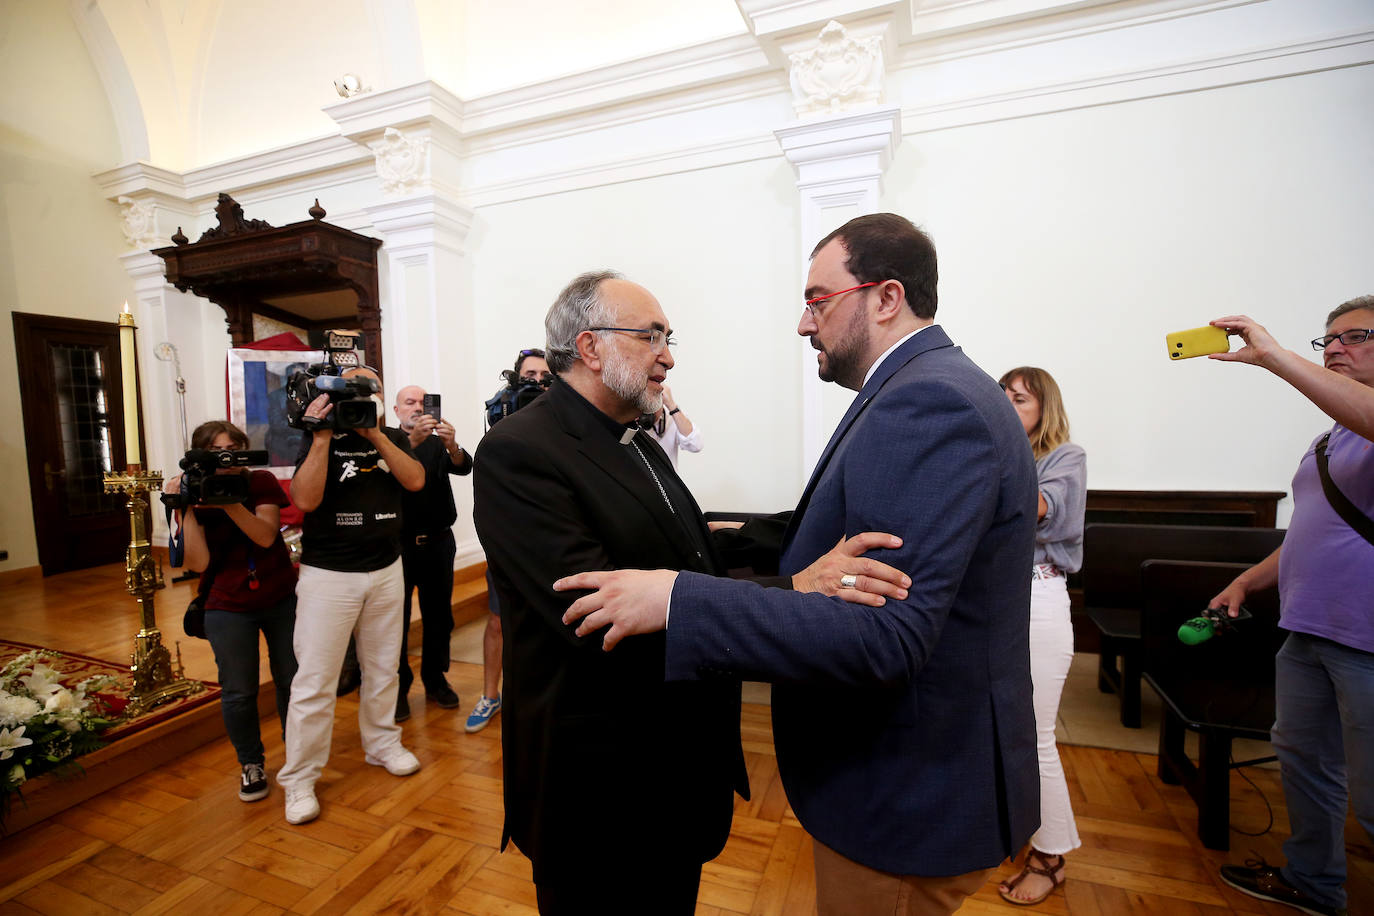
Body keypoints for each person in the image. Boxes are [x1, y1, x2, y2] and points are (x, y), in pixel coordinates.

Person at [558, 213, 1041, 915]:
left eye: (818, 299)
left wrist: (679, 598)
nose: (803, 323)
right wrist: (711, 537)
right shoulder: (925, 385)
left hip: (905, 791)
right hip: (919, 775)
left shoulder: (926, 401)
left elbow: (887, 637)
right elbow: (842, 533)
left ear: (885, 297)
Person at [472, 270, 905, 914]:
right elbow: (592, 617)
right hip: (601, 792)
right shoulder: (518, 452)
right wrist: (794, 589)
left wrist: (820, 524)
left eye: (667, 337)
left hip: (672, 776)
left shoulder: (633, 437)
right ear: (591, 348)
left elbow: (692, 544)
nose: (668, 355)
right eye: (651, 336)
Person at [1209, 299, 1374, 916]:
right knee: (1305, 763)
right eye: (1327, 339)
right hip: (1306, 629)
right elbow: (1313, 529)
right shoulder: (1331, 438)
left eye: (1356, 336)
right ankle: (1314, 881)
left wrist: (1271, 355)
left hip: (1367, 640)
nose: (1334, 348)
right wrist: (1248, 583)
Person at [276, 365, 427, 825]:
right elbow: (303, 501)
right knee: (315, 681)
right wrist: (321, 437)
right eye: (354, 389)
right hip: (329, 575)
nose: (363, 396)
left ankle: (381, 743)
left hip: (386, 567)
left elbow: (415, 480)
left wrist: (375, 434)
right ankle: (300, 778)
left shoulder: (393, 439)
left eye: (370, 388)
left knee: (383, 667)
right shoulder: (319, 438)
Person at [165, 420, 297, 804]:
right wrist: (184, 507)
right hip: (226, 602)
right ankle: (251, 763)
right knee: (239, 691)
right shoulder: (193, 492)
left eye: (234, 451)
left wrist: (227, 501)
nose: (227, 461)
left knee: (291, 679)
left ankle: (298, 754)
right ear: (202, 457)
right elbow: (199, 562)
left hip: (278, 596)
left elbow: (265, 535)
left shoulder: (260, 483)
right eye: (217, 453)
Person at [997, 367, 1086, 907]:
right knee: (999, 725)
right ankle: (1016, 828)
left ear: (1043, 409)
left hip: (1038, 598)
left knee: (1035, 734)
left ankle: (1051, 858)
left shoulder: (1063, 457)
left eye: (1019, 398)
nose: (1007, 404)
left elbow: (1037, 508)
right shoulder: (1000, 458)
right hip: (996, 601)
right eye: (1000, 396)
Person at [466, 348, 551, 734]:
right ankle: (489, 695)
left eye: (544, 376)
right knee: (498, 623)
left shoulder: (567, 412)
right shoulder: (501, 414)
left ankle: (541, 701)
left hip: (551, 542)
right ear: (516, 379)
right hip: (509, 543)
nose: (536, 382)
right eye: (529, 375)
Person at [392, 384, 471, 723]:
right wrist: (412, 443)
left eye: (423, 403)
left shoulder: (440, 440)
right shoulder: (387, 441)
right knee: (394, 622)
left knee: (440, 617)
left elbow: (464, 466)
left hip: (439, 542)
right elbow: (385, 475)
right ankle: (397, 689)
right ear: (396, 411)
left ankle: (435, 680)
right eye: (409, 402)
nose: (417, 408)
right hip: (397, 546)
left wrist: (452, 444)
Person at [643, 386, 701, 469]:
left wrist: (671, 405)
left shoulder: (672, 417)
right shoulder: (633, 418)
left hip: (664, 479)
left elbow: (696, 445)